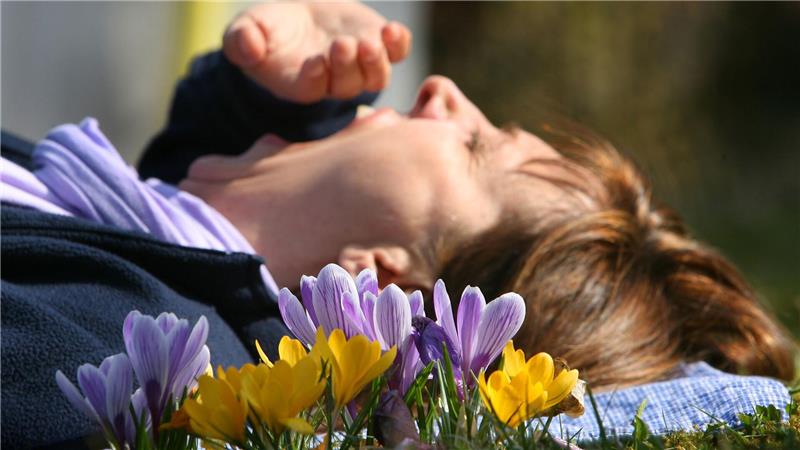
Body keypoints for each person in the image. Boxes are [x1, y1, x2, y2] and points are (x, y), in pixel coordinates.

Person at [0, 2, 794, 448]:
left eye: (477, 145)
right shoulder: (140, 253)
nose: (443, 92)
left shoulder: (111, 365)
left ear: (380, 284)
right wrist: (257, 107)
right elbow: (169, 239)